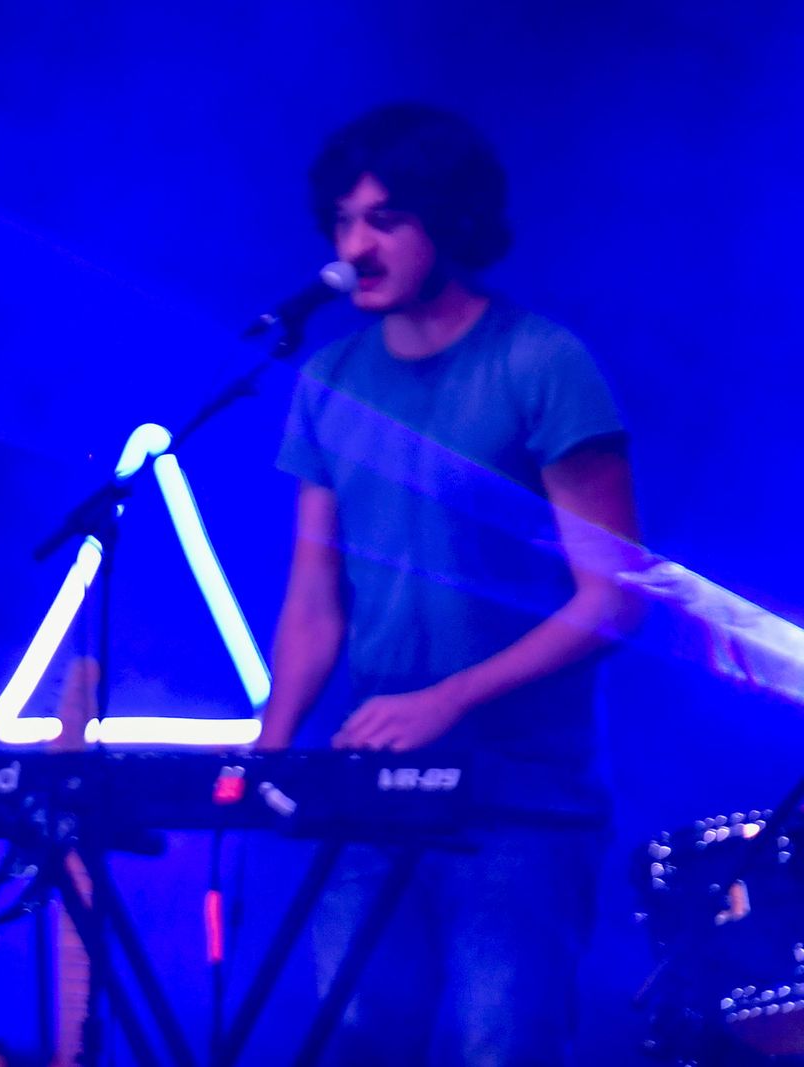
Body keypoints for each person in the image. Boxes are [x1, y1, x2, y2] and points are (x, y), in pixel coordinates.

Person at [256, 103, 643, 1065]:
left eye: (384, 219)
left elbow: (615, 596)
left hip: (523, 792)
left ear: (449, 219)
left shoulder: (542, 361)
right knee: (356, 1034)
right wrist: (268, 748)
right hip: (372, 777)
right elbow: (314, 599)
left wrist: (449, 698)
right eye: (342, 223)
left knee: (494, 1042)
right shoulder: (330, 379)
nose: (355, 246)